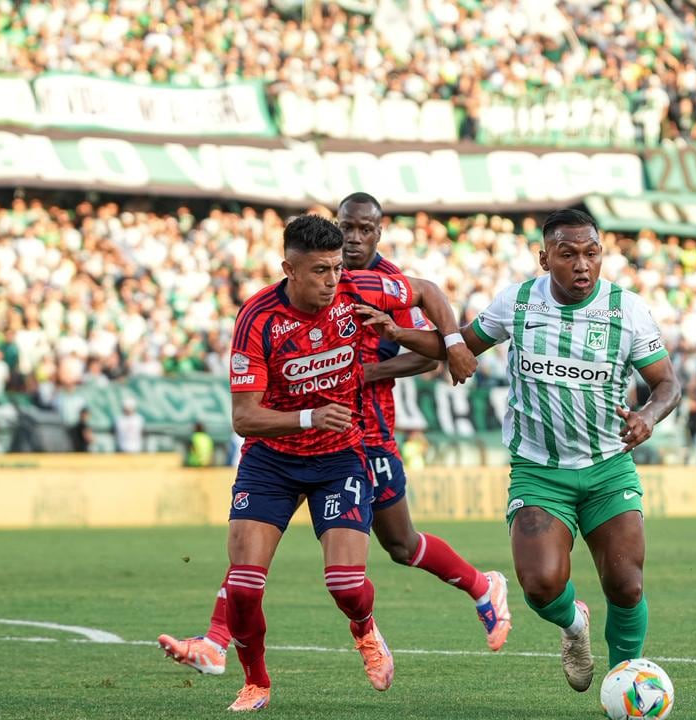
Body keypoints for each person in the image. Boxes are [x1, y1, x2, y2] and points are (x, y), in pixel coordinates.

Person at [157, 194, 512, 681]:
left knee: (401, 544)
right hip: (301, 435)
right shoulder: (289, 298)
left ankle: (481, 584)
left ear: (379, 233)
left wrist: (402, 360)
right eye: (348, 227)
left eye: (365, 230)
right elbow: (248, 410)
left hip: (369, 432)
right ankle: (218, 642)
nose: (354, 239)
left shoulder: (379, 283)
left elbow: (425, 348)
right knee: (252, 547)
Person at [359, 209, 681, 693]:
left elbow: (667, 384)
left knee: (627, 584)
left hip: (607, 468)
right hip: (538, 472)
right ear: (544, 257)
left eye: (591, 253)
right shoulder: (520, 302)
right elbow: (460, 346)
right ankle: (574, 625)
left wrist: (648, 417)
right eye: (567, 254)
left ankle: (625, 681)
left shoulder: (626, 309)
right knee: (540, 586)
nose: (582, 265)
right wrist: (400, 334)